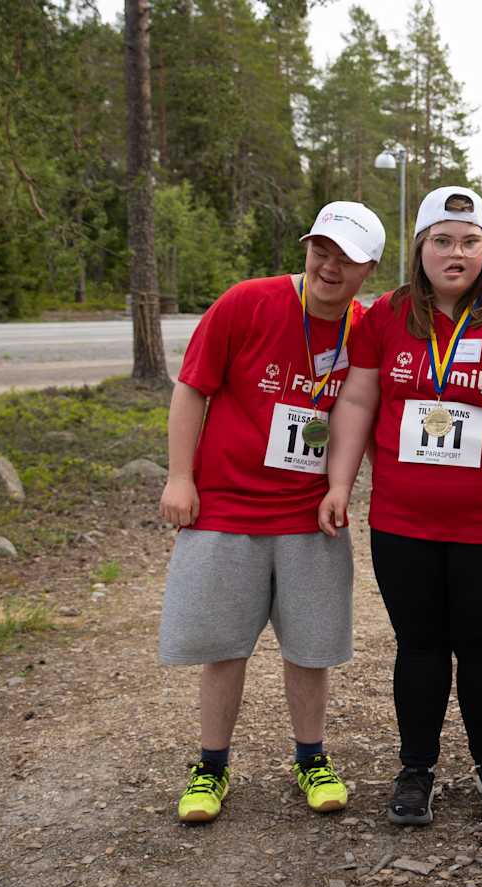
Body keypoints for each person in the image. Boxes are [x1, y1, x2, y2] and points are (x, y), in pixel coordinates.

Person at [317, 186, 482, 827]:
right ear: (419, 248)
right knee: (417, 648)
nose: (457, 253)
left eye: (470, 241)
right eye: (442, 241)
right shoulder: (386, 317)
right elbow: (360, 402)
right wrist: (340, 482)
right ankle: (416, 767)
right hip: (403, 523)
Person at [158, 200, 385, 824]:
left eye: (347, 259)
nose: (329, 267)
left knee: (311, 649)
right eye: (321, 251)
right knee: (223, 646)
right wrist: (181, 477)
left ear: (370, 269)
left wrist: (340, 488)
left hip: (309, 516)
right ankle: (210, 766)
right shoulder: (248, 301)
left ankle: (311, 757)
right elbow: (192, 387)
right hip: (225, 509)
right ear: (307, 247)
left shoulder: (364, 328)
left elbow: (358, 414)